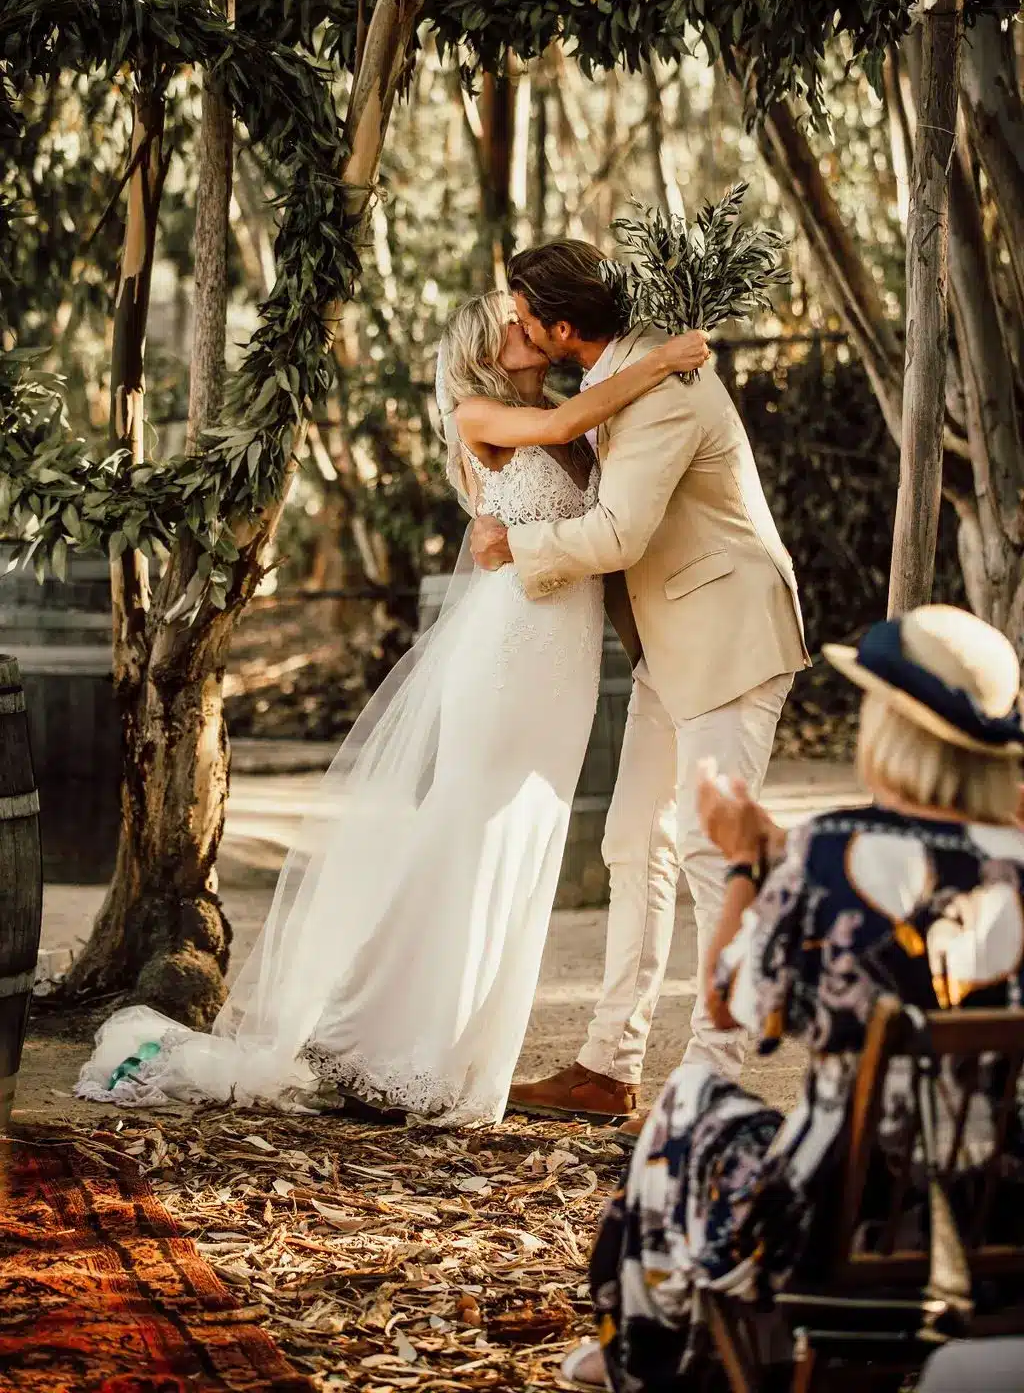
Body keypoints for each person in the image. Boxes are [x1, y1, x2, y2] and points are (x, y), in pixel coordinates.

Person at [75, 293, 709, 1126]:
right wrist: (662, 359)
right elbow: (563, 430)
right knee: (465, 835)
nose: (527, 328)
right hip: (508, 654)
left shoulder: (561, 411)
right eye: (512, 323)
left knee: (519, 842)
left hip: (563, 661)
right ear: (482, 349)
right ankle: (378, 1042)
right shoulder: (478, 413)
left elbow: (602, 488)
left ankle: (455, 1050)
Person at [563, 604, 1024, 1391]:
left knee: (692, 1102)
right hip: (1002, 1225)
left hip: (836, 1231)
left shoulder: (828, 854)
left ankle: (648, 1348)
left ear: (889, 730)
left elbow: (728, 1003)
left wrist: (747, 861)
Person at [471, 240, 809, 1126]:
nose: (517, 327)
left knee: (708, 851)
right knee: (632, 842)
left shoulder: (663, 389)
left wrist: (515, 546)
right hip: (672, 646)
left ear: (563, 328)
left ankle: (714, 1076)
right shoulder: (620, 377)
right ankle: (607, 1066)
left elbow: (619, 533)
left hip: (728, 637)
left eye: (524, 315)